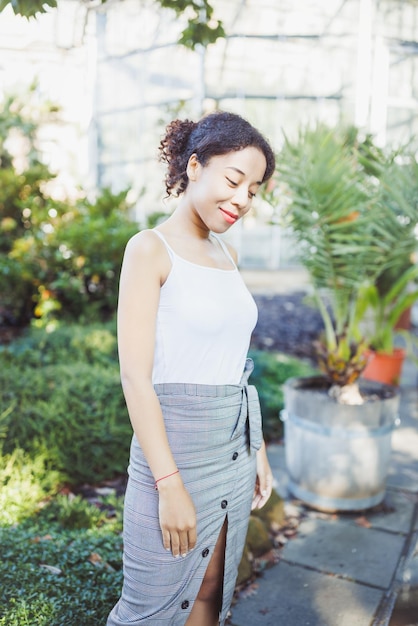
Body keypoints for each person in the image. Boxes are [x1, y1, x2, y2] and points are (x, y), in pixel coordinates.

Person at [106, 110, 276, 626]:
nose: (243, 199)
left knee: (210, 588)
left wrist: (258, 447)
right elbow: (135, 377)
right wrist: (169, 483)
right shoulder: (149, 250)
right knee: (152, 607)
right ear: (195, 165)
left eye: (254, 189)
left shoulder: (227, 254)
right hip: (173, 454)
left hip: (233, 451)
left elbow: (234, 365)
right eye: (234, 180)